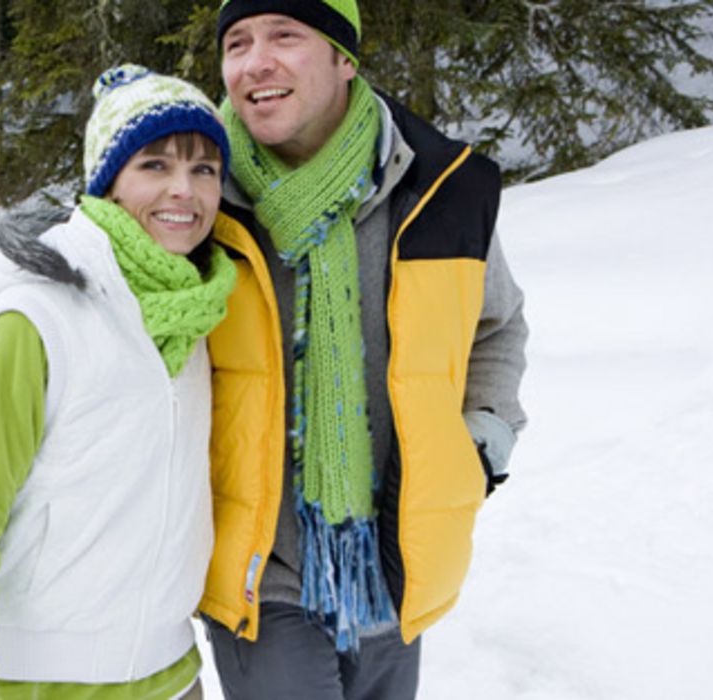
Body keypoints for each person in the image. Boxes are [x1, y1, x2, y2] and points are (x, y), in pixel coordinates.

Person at [198, 1, 529, 698]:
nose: (255, 62)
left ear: (344, 58)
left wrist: (477, 446)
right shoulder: (198, 202)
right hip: (258, 569)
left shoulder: (439, 187)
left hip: (391, 554)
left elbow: (494, 328)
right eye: (236, 42)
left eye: (284, 35)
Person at [0, 64, 245, 699]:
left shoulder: (197, 312)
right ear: (109, 182)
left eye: (204, 169)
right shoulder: (34, 318)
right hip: (40, 683)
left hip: (173, 676)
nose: (184, 190)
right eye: (155, 166)